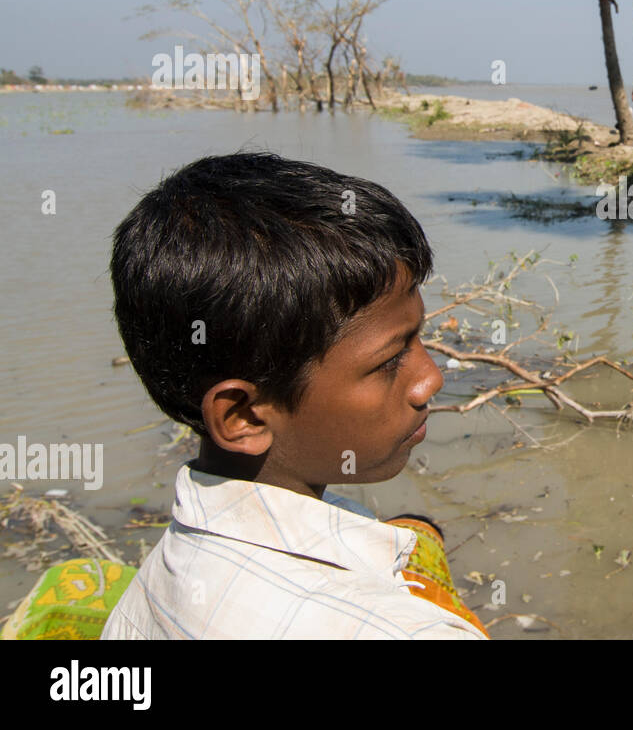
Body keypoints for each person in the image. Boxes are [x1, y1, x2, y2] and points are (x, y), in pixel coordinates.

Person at [101, 152, 487, 640]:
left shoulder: (154, 589)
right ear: (243, 417)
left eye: (419, 338)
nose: (430, 377)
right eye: (389, 360)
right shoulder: (404, 631)